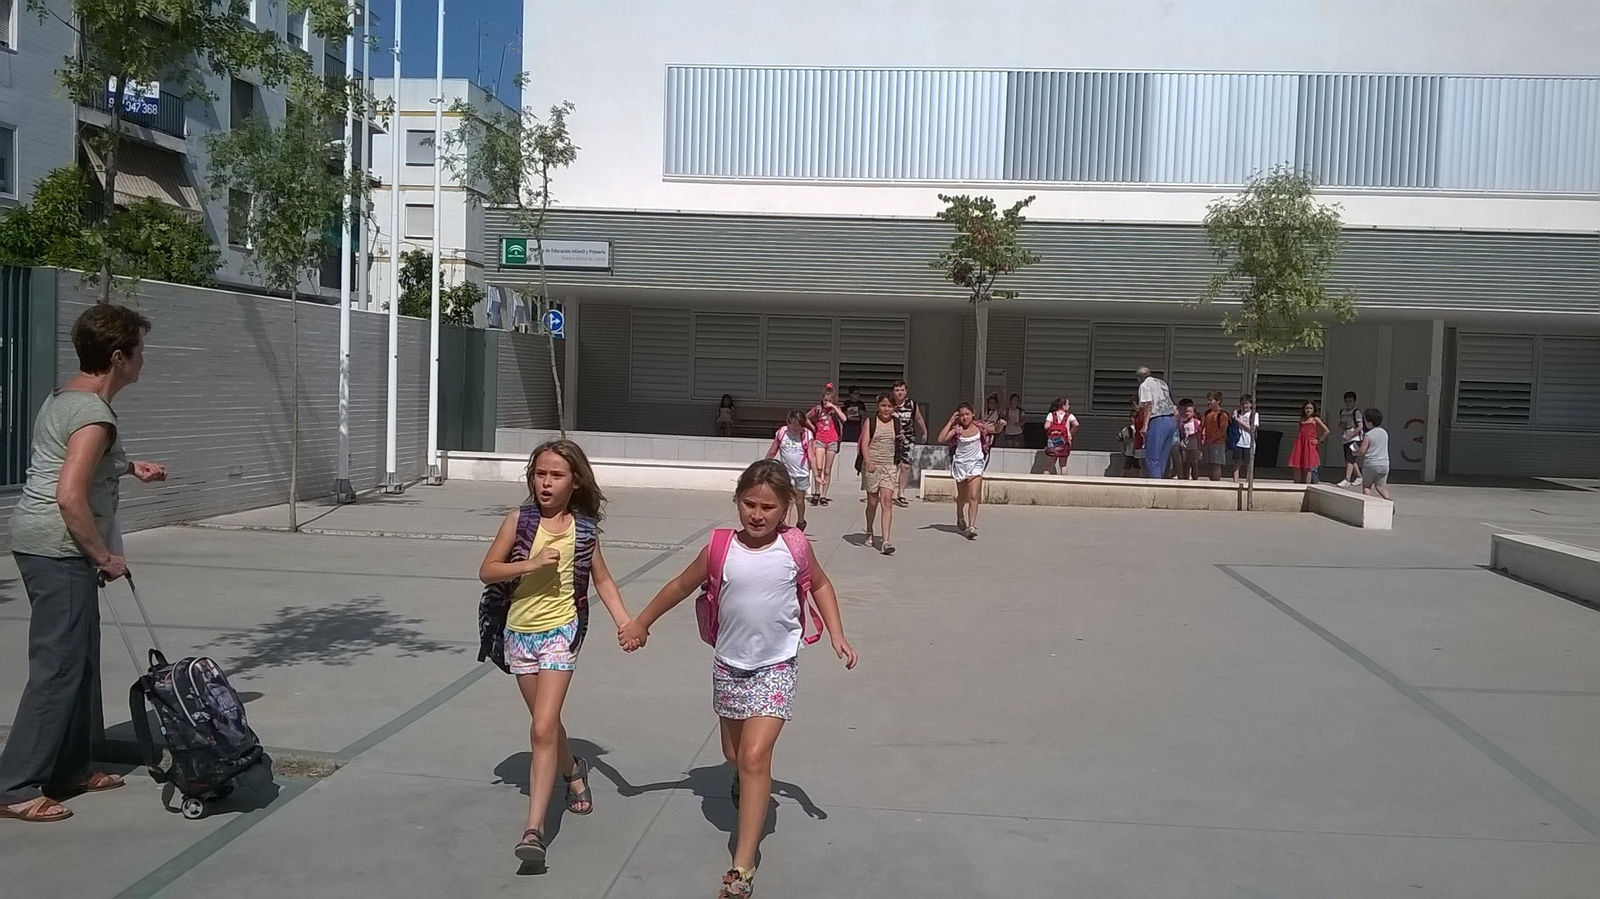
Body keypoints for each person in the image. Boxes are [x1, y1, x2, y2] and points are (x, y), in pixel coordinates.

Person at [619, 460, 858, 899]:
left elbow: (820, 586)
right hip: (729, 665)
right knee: (733, 752)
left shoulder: (796, 546)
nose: (758, 514)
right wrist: (641, 622)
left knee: (753, 756)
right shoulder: (719, 548)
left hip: (777, 666)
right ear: (736, 502)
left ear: (786, 506)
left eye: (769, 506)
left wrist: (837, 634)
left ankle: (742, 865)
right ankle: (747, 780)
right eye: (749, 503)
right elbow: (678, 586)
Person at [1, 304, 168, 824]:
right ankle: (15, 785)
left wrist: (127, 466)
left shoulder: (65, 397)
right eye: (139, 352)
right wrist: (104, 555)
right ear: (118, 357)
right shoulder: (94, 415)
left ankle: (70, 767)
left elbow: (64, 456)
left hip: (46, 542)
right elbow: (70, 494)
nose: (143, 361)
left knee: (80, 660)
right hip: (59, 547)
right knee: (58, 667)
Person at [477, 440, 634, 867]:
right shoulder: (519, 520)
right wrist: (527, 564)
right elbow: (487, 570)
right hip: (519, 632)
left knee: (543, 726)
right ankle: (573, 770)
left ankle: (534, 830)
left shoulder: (584, 531)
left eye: (556, 475)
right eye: (540, 474)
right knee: (544, 726)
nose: (545, 483)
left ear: (575, 481)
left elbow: (602, 580)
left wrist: (625, 622)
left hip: (561, 632)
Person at [938, 403, 1002, 539]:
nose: (964, 417)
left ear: (973, 414)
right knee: (963, 497)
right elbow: (941, 439)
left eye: (967, 414)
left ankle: (971, 526)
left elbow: (995, 429)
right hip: (961, 465)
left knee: (973, 496)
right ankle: (959, 513)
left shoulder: (980, 427)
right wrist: (951, 421)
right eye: (961, 415)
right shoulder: (957, 430)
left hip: (976, 464)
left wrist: (1001, 424)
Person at [859, 394, 901, 554]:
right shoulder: (871, 421)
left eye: (889, 406)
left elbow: (897, 442)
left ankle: (886, 541)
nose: (886, 409)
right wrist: (868, 461)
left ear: (894, 408)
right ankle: (869, 530)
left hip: (889, 466)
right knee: (872, 502)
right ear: (878, 406)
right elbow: (864, 443)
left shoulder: (896, 423)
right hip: (872, 466)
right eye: (883, 405)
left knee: (887, 502)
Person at [765, 411, 813, 531]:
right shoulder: (782, 433)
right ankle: (785, 525)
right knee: (788, 499)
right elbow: (773, 451)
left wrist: (817, 473)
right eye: (794, 428)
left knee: (799, 500)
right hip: (786, 473)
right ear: (788, 423)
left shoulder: (807, 435)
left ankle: (801, 520)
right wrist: (764, 464)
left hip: (802, 473)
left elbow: (812, 455)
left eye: (799, 428)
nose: (797, 431)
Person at [805, 385, 846, 506]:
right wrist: (813, 428)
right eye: (825, 400)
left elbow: (844, 418)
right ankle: (817, 492)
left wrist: (833, 407)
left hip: (832, 440)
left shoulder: (835, 410)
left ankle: (824, 495)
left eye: (829, 400)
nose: (827, 402)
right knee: (818, 467)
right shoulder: (817, 409)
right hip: (820, 439)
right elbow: (805, 417)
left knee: (827, 470)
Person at [1136, 366, 1178, 479]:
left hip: (1157, 420)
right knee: (1162, 459)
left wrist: (1145, 425)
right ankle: (1161, 484)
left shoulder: (1144, 386)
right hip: (1170, 419)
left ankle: (1155, 488)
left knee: (1152, 459)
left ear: (1139, 378)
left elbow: (1148, 405)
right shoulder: (1162, 383)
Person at [889, 380, 926, 508]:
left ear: (906, 391)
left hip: (908, 438)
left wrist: (924, 432)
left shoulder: (911, 404)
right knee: (892, 466)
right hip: (891, 439)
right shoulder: (889, 404)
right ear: (893, 392)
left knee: (905, 466)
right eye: (897, 390)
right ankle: (888, 491)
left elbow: (919, 418)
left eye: (902, 390)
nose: (900, 393)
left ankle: (901, 493)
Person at [1287, 400, 1330, 484]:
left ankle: (1307, 486)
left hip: (1309, 445)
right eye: (1307, 408)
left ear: (1314, 409)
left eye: (1311, 408)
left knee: (1308, 467)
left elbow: (1326, 430)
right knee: (1297, 466)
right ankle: (1296, 485)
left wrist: (1319, 440)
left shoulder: (1315, 419)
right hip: (1300, 443)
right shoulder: (1302, 419)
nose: (1308, 410)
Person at [1359, 408, 1392, 501]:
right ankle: (1389, 501)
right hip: (1384, 464)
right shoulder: (1384, 433)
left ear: (1369, 422)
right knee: (1380, 487)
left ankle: (1367, 504)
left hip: (1371, 464)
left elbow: (1362, 451)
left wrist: (1355, 452)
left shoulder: (1368, 435)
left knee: (1367, 486)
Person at [1337, 392, 1367, 488]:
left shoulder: (1356, 412)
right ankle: (1359, 476)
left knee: (1350, 459)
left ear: (1354, 401)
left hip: (1354, 439)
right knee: (1350, 459)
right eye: (1346, 401)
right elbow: (1341, 424)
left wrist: (1351, 435)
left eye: (1350, 401)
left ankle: (1347, 479)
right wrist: (1342, 425)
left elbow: (1360, 426)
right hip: (1346, 438)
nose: (1348, 403)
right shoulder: (1343, 412)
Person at [1042, 397, 1078, 476]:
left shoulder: (1051, 414)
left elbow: (1046, 426)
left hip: (1053, 442)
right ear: (1063, 406)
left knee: (1049, 465)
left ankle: (1044, 482)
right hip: (1065, 441)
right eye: (1068, 404)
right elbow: (1076, 424)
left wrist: (1054, 430)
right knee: (1063, 465)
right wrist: (1070, 433)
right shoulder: (1069, 416)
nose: (1069, 406)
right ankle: (1064, 484)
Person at [1200, 391, 1232, 482]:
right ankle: (1211, 481)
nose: (1209, 402)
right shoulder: (1207, 413)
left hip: (1218, 443)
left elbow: (1223, 431)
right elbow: (1202, 427)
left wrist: (1212, 439)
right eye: (1208, 400)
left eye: (1211, 400)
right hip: (1208, 442)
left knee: (1216, 464)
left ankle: (1216, 483)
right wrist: (1202, 437)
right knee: (1209, 463)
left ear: (1218, 401)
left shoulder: (1222, 415)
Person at [1229, 394, 1260, 484]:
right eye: (1242, 404)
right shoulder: (1238, 413)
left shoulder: (1254, 415)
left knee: (1249, 463)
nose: (1244, 406)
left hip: (1249, 442)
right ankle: (1235, 481)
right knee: (1237, 463)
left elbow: (1251, 428)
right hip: (1238, 442)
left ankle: (1248, 481)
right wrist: (1234, 417)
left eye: (1246, 403)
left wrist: (1238, 420)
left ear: (1251, 404)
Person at [1176, 399, 1202, 480]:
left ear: (1194, 413)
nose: (1188, 413)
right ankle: (1185, 479)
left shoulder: (1197, 422)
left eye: (1190, 411)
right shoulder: (1183, 424)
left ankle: (1195, 479)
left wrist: (1200, 446)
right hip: (1185, 447)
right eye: (1186, 411)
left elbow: (1200, 434)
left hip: (1195, 446)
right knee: (1185, 464)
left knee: (1194, 464)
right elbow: (1182, 435)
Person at [1118, 408, 1140, 476]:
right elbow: (1121, 440)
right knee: (1126, 469)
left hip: (1139, 453)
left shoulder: (1141, 428)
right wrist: (1123, 451)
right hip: (1130, 453)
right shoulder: (1127, 429)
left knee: (1138, 469)